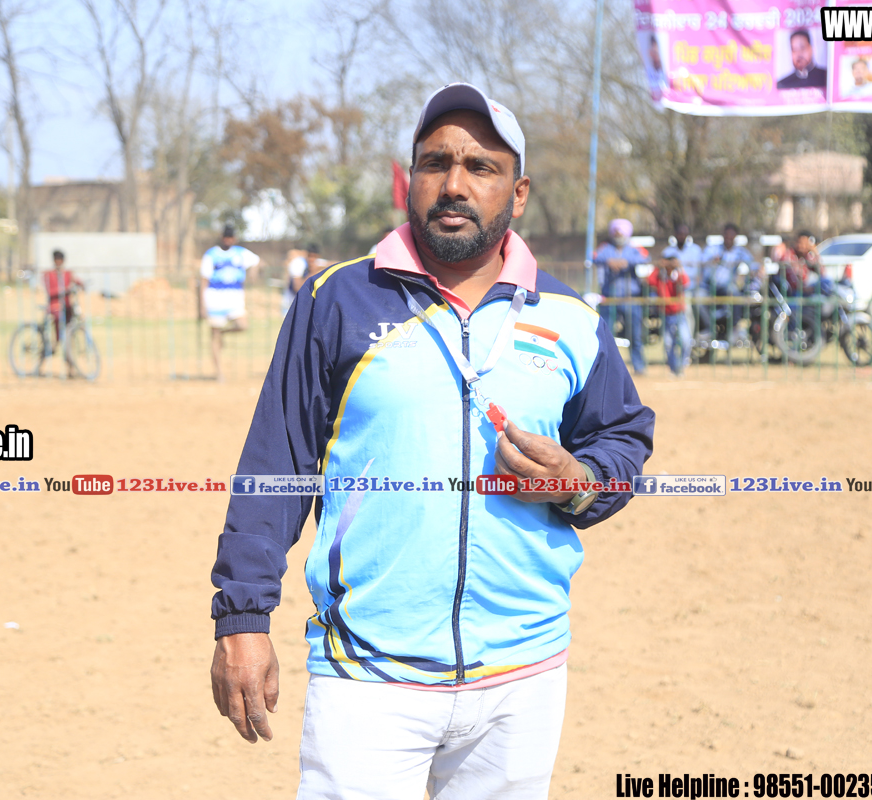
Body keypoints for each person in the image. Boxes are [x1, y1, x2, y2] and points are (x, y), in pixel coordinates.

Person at [208, 82, 655, 800]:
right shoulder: (336, 300)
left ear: (519, 193)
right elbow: (277, 465)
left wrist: (580, 481)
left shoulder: (571, 316)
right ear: (410, 178)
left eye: (481, 167)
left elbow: (622, 436)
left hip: (523, 673)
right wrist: (242, 615)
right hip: (367, 673)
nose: (454, 184)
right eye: (435, 162)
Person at [200, 225, 261, 381]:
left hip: (234, 300)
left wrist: (253, 274)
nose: (228, 240)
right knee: (214, 335)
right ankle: (219, 373)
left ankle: (224, 333)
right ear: (222, 238)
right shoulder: (211, 254)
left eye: (230, 237)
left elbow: (257, 261)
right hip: (214, 300)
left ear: (234, 239)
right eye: (226, 237)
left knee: (242, 325)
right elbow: (204, 280)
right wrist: (202, 304)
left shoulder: (240, 253)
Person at [593, 219, 648, 374]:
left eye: (621, 233)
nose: (618, 236)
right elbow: (594, 257)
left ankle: (639, 366)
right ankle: (607, 369)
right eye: (616, 233)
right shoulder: (605, 248)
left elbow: (645, 258)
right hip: (610, 297)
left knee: (635, 335)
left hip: (631, 297)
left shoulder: (634, 248)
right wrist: (609, 261)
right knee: (606, 335)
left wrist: (625, 262)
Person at [699, 223, 754, 338]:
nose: (728, 237)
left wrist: (759, 269)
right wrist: (711, 261)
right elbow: (702, 261)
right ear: (723, 235)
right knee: (698, 297)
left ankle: (733, 328)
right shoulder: (713, 249)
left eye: (731, 235)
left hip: (726, 286)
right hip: (708, 286)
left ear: (735, 237)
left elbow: (753, 264)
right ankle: (709, 329)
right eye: (726, 235)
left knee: (736, 295)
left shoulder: (740, 252)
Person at [647, 246, 691, 376]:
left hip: (679, 313)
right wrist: (658, 267)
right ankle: (673, 368)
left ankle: (682, 364)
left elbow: (686, 283)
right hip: (665, 314)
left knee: (685, 340)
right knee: (668, 343)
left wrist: (678, 268)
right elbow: (650, 281)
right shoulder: (660, 275)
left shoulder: (678, 274)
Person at [44, 250, 84, 343]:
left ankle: (69, 342)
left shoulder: (68, 273)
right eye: (57, 259)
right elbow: (50, 291)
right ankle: (57, 341)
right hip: (55, 305)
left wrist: (82, 285)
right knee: (59, 317)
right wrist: (64, 290)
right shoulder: (48, 274)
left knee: (78, 317)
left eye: (60, 259)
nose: (59, 262)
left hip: (67, 305)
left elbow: (77, 281)